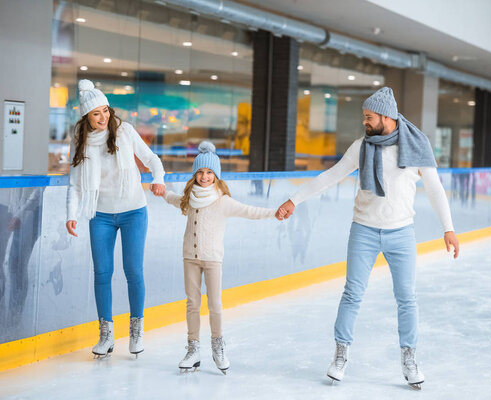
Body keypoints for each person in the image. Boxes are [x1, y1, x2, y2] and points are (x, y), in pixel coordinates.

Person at [276, 87, 460, 390]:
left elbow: (436, 188)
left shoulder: (416, 145)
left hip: (401, 232)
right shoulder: (361, 146)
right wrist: (294, 200)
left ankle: (409, 358)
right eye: (365, 117)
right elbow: (330, 176)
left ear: (386, 116)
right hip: (364, 230)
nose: (365, 122)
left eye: (369, 117)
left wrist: (448, 228)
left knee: (407, 299)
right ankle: (341, 354)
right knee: (352, 294)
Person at [66, 79, 166, 358]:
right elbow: (74, 184)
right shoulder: (81, 143)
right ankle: (106, 335)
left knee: (133, 270)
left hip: (134, 211)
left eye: (106, 111)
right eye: (96, 113)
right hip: (99, 215)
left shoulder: (125, 132)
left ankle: (136, 330)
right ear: (86, 116)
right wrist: (71, 215)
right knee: (102, 273)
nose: (103, 117)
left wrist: (158, 179)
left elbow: (151, 158)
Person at [162, 141, 276, 373]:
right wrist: (160, 190)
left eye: (209, 173)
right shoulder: (189, 198)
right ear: (195, 174)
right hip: (190, 258)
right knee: (192, 304)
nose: (204, 177)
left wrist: (275, 212)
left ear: (216, 176)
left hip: (213, 259)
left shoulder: (223, 202)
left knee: (215, 304)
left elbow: (250, 211)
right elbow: (172, 197)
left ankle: (217, 346)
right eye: (201, 172)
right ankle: (193, 348)